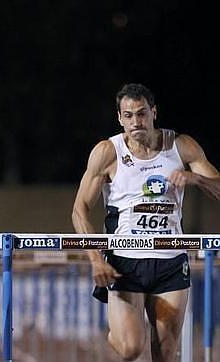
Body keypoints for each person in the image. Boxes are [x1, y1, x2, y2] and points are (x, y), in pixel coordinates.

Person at [72, 83, 220, 362]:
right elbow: (79, 210)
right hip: (125, 261)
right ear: (119, 118)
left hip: (171, 260)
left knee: (165, 352)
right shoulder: (108, 152)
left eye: (141, 114)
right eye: (128, 116)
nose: (135, 122)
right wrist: (95, 259)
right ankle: (118, 328)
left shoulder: (181, 146)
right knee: (130, 347)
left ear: (154, 112)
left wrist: (196, 178)